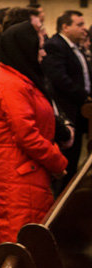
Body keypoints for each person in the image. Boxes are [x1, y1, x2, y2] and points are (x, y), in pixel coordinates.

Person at [0, 22, 69, 245]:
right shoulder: (11, 83)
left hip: (26, 168)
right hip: (15, 171)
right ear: (25, 49)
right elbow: (26, 135)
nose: (43, 53)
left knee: (29, 236)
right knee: (17, 240)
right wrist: (57, 162)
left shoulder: (21, 77)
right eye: (39, 47)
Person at [43, 10, 90, 180]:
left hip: (80, 108)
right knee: (68, 158)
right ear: (65, 27)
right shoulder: (55, 45)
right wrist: (85, 96)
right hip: (67, 107)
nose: (84, 29)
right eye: (79, 25)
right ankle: (64, 197)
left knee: (77, 154)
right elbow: (59, 78)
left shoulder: (75, 46)